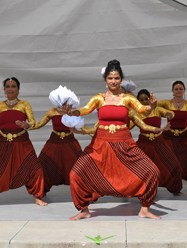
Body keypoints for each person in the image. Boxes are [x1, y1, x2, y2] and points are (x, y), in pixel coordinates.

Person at [61, 59, 168, 220]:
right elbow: (85, 109)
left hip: (124, 143)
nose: (113, 81)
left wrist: (152, 106)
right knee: (76, 174)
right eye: (110, 78)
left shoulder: (127, 99)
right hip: (100, 144)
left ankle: (145, 209)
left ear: (121, 80)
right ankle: (84, 209)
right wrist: (72, 113)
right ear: (105, 80)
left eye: (116, 78)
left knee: (152, 171)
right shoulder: (99, 98)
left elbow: (142, 109)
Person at [0, 77, 47, 207]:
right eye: (7, 86)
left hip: (22, 143)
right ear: (4, 89)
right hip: (2, 143)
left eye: (13, 86)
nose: (10, 89)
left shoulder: (24, 104)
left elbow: (33, 123)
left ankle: (38, 197)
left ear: (18, 89)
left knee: (36, 169)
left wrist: (26, 125)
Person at [132, 89, 185, 195]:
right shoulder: (136, 115)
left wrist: (169, 114)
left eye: (146, 99)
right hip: (143, 144)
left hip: (159, 142)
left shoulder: (157, 110)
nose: (144, 101)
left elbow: (169, 113)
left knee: (173, 164)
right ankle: (140, 191)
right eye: (141, 100)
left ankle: (175, 189)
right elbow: (126, 126)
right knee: (140, 169)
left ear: (150, 99)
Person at [31, 108, 82, 194]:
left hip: (70, 140)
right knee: (43, 164)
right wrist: (26, 126)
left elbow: (82, 126)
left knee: (80, 165)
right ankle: (41, 190)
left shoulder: (73, 111)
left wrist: (92, 132)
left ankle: (84, 191)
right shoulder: (52, 111)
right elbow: (39, 124)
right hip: (54, 140)